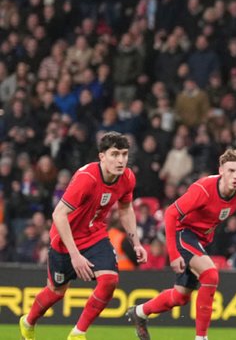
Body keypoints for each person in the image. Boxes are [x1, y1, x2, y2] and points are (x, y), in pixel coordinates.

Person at [128, 149, 236, 340]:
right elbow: (171, 213)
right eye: (231, 171)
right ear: (221, 171)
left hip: (201, 239)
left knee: (180, 296)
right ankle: (201, 337)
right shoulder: (203, 189)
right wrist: (173, 254)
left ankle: (139, 312)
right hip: (183, 233)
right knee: (210, 274)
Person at [20, 132, 145, 340]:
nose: (121, 160)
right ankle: (28, 322)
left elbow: (125, 209)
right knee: (56, 292)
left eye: (124, 154)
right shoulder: (87, 178)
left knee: (110, 280)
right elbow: (58, 215)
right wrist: (75, 255)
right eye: (114, 154)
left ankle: (78, 333)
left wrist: (137, 243)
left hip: (95, 235)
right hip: (65, 239)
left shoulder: (128, 177)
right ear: (102, 156)